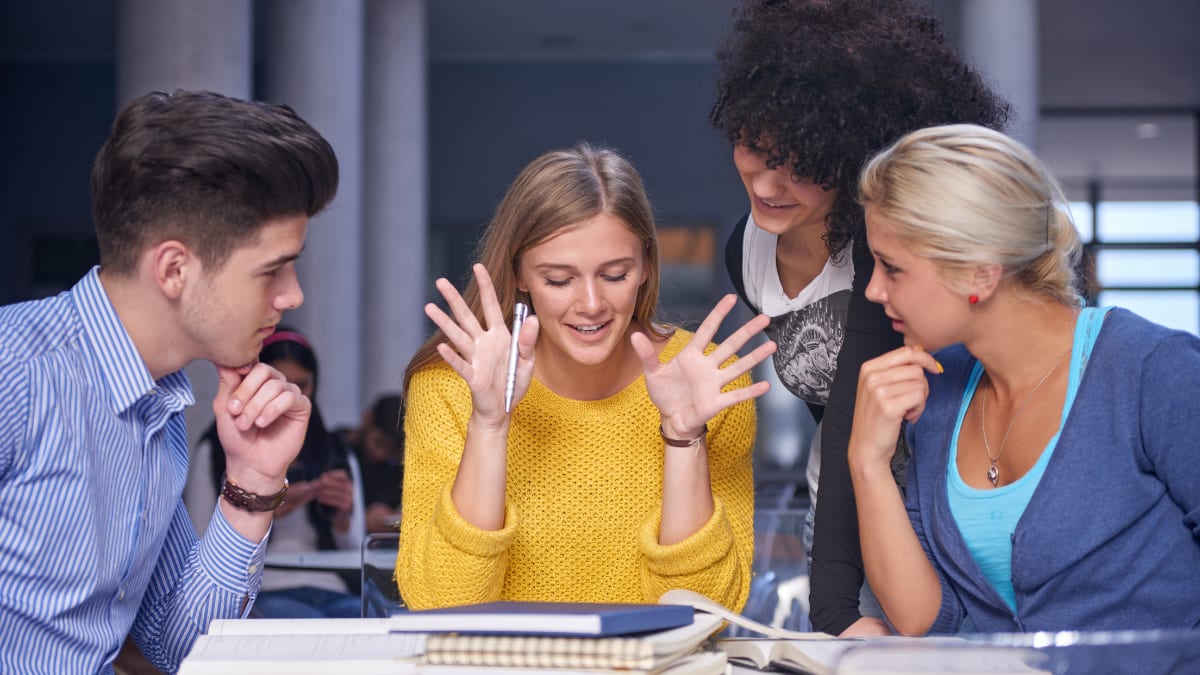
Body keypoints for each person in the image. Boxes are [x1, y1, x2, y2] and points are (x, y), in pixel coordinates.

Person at [0, 89, 338, 673]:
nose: (292, 295)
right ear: (175, 269)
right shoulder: (17, 371)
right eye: (272, 269)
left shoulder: (158, 408)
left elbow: (179, 644)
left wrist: (252, 484)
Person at [708, 0, 1010, 636]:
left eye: (803, 165)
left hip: (933, 512)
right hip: (845, 504)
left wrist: (835, 616)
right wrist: (839, 601)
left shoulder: (882, 256)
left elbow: (854, 413)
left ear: (853, 160)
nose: (768, 184)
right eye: (755, 150)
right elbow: (831, 418)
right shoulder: (746, 250)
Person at [849, 123, 1200, 634]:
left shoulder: (1153, 370)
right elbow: (927, 620)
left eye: (892, 268)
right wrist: (867, 463)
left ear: (979, 274)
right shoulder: (939, 393)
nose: (874, 291)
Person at [397, 142, 775, 611]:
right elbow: (443, 605)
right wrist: (489, 426)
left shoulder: (708, 383)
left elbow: (702, 611)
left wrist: (683, 437)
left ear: (646, 268)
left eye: (615, 274)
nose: (592, 304)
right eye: (559, 280)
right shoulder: (451, 386)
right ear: (519, 275)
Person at [192, 327, 364, 618]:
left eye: (302, 385)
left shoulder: (334, 450)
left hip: (331, 584)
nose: (291, 397)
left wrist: (342, 516)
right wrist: (262, 512)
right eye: (280, 386)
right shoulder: (217, 449)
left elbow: (357, 549)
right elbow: (196, 543)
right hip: (263, 588)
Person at [355, 394, 405, 534]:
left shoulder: (392, 466)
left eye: (389, 451)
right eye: (379, 443)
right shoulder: (338, 450)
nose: (381, 455)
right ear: (367, 419)